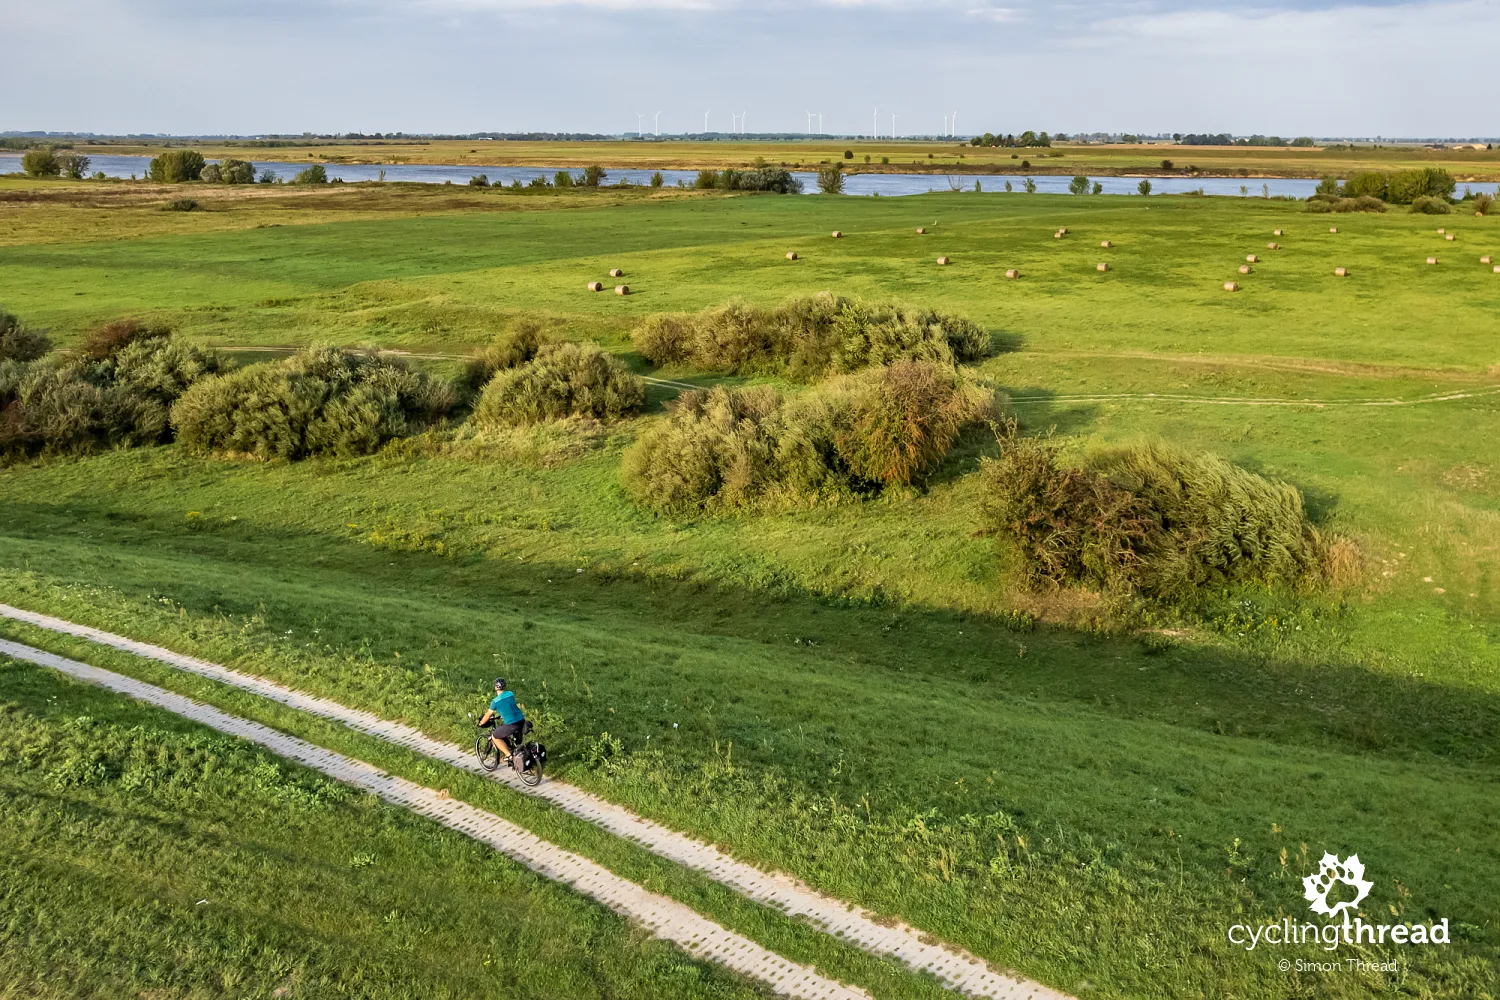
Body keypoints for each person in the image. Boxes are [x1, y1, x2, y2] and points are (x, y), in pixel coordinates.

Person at [478, 677, 527, 768]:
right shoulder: (510, 694)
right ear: (504, 686)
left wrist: (481, 723)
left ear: (495, 687)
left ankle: (509, 756)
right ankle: (517, 751)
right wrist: (503, 715)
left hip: (512, 724)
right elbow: (508, 706)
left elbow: (488, 715)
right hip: (521, 720)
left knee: (495, 736)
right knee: (505, 729)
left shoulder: (495, 702)